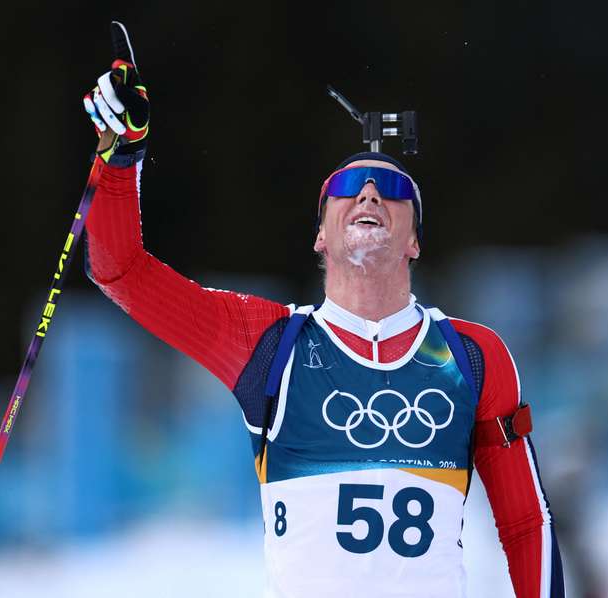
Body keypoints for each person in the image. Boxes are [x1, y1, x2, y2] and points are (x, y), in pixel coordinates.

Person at [82, 22, 564, 598]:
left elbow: (524, 524)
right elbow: (120, 272)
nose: (369, 195)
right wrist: (121, 157)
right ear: (320, 235)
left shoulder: (473, 357)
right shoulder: (268, 343)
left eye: (392, 190)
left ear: (414, 240)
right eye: (350, 186)